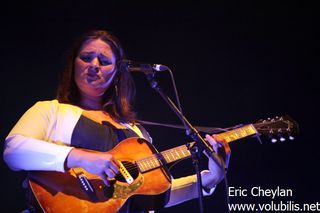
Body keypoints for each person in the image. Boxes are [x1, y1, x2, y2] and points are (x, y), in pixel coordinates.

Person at [3, 30, 231, 212]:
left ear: (117, 73)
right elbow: (13, 151)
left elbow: (156, 194)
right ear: (74, 64)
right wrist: (82, 158)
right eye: (86, 58)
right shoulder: (51, 111)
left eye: (103, 61)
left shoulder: (137, 133)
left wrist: (211, 178)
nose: (94, 65)